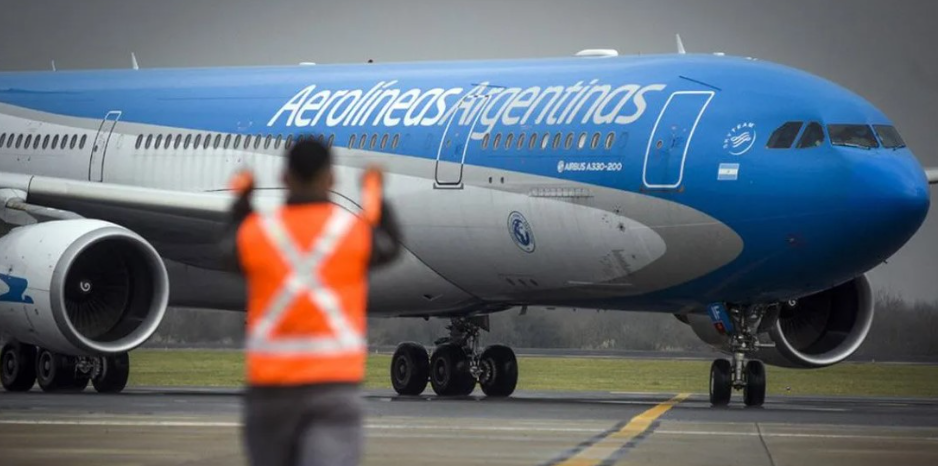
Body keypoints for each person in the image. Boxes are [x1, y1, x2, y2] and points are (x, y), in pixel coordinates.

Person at [222, 137, 401, 466]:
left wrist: (242, 201)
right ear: (331, 178)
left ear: (284, 177)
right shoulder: (351, 231)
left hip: (271, 389)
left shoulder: (259, 231)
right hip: (334, 386)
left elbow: (228, 250)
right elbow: (389, 244)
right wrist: (374, 192)